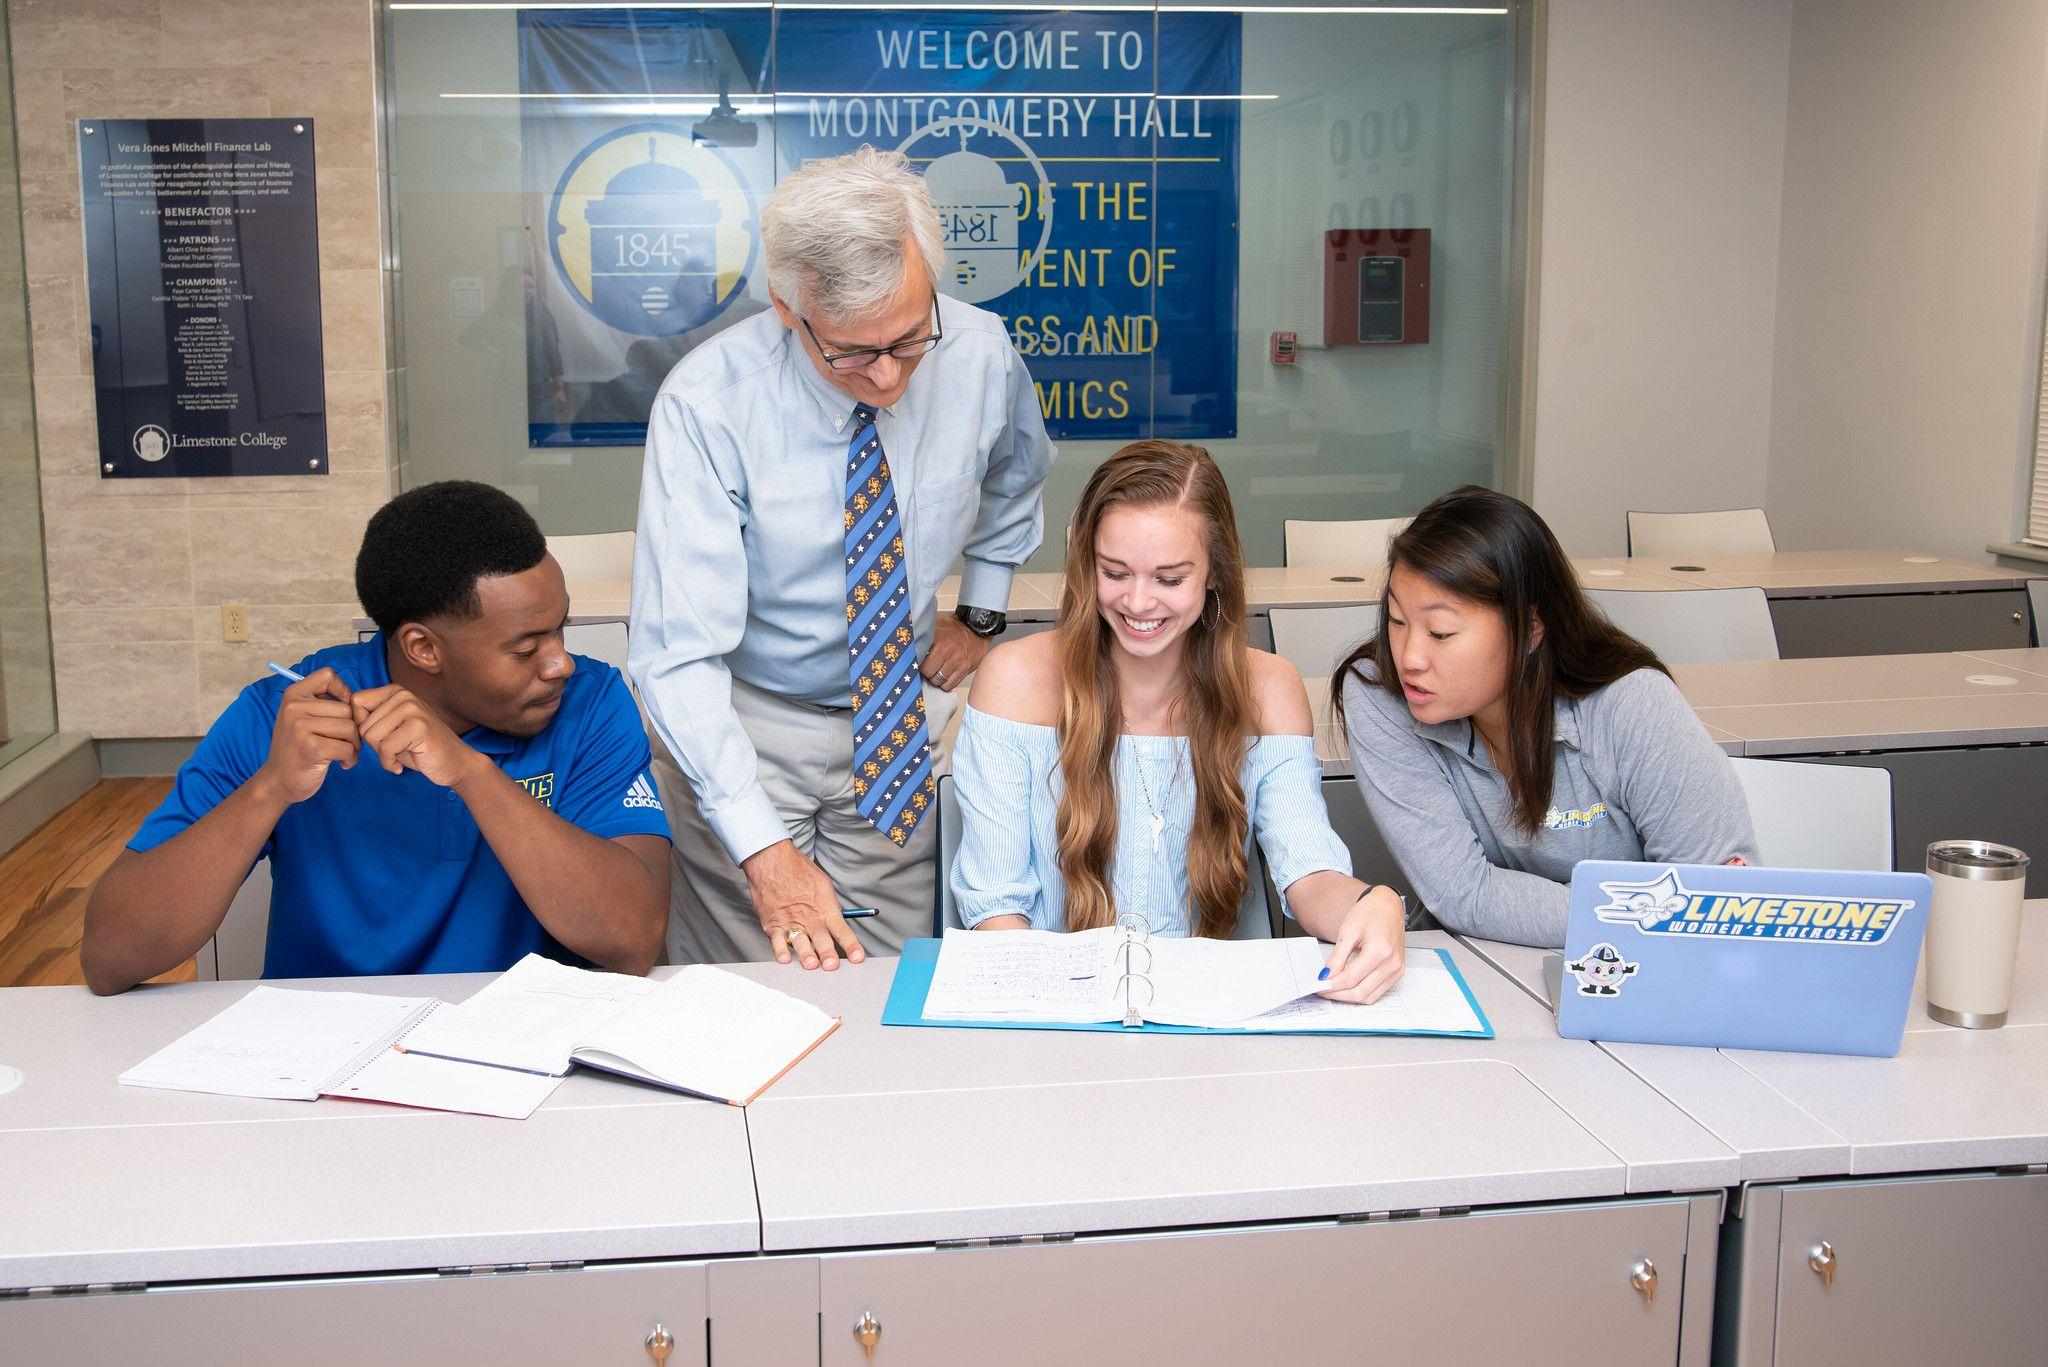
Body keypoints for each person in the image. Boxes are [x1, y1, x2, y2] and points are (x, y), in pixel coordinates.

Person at [631, 146, 1055, 971]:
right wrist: (762, 849)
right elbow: (677, 656)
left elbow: (1016, 478)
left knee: (896, 978)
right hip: (750, 724)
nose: (891, 377)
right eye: (854, 354)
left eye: (908, 338)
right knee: (755, 987)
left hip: (899, 715)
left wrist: (981, 611)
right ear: (788, 311)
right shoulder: (708, 404)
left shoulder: (981, 353)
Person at [82, 482, 672, 995]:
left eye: (560, 630)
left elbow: (632, 940)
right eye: (526, 649)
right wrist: (270, 790)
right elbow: (109, 958)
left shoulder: (589, 704)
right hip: (324, 1062)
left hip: (522, 1048)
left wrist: (471, 773)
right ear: (423, 649)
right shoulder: (285, 716)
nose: (560, 664)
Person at [953, 442, 1407, 1002]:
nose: (1138, 602)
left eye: (1169, 579)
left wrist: (1372, 905)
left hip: (1220, 1027)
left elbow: (1309, 873)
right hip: (1059, 1016)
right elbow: (995, 908)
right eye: (1114, 572)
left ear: (1215, 572)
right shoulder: (1014, 682)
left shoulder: (1268, 689)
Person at [1337, 485, 1758, 949]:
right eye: (1397, 621)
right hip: (1474, 968)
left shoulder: (1631, 705)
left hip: (1632, 975)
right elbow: (1462, 893)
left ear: (1530, 629)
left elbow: (1714, 902)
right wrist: (1642, 912)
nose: (1410, 657)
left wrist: (1638, 921)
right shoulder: (1378, 693)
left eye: (1441, 632)